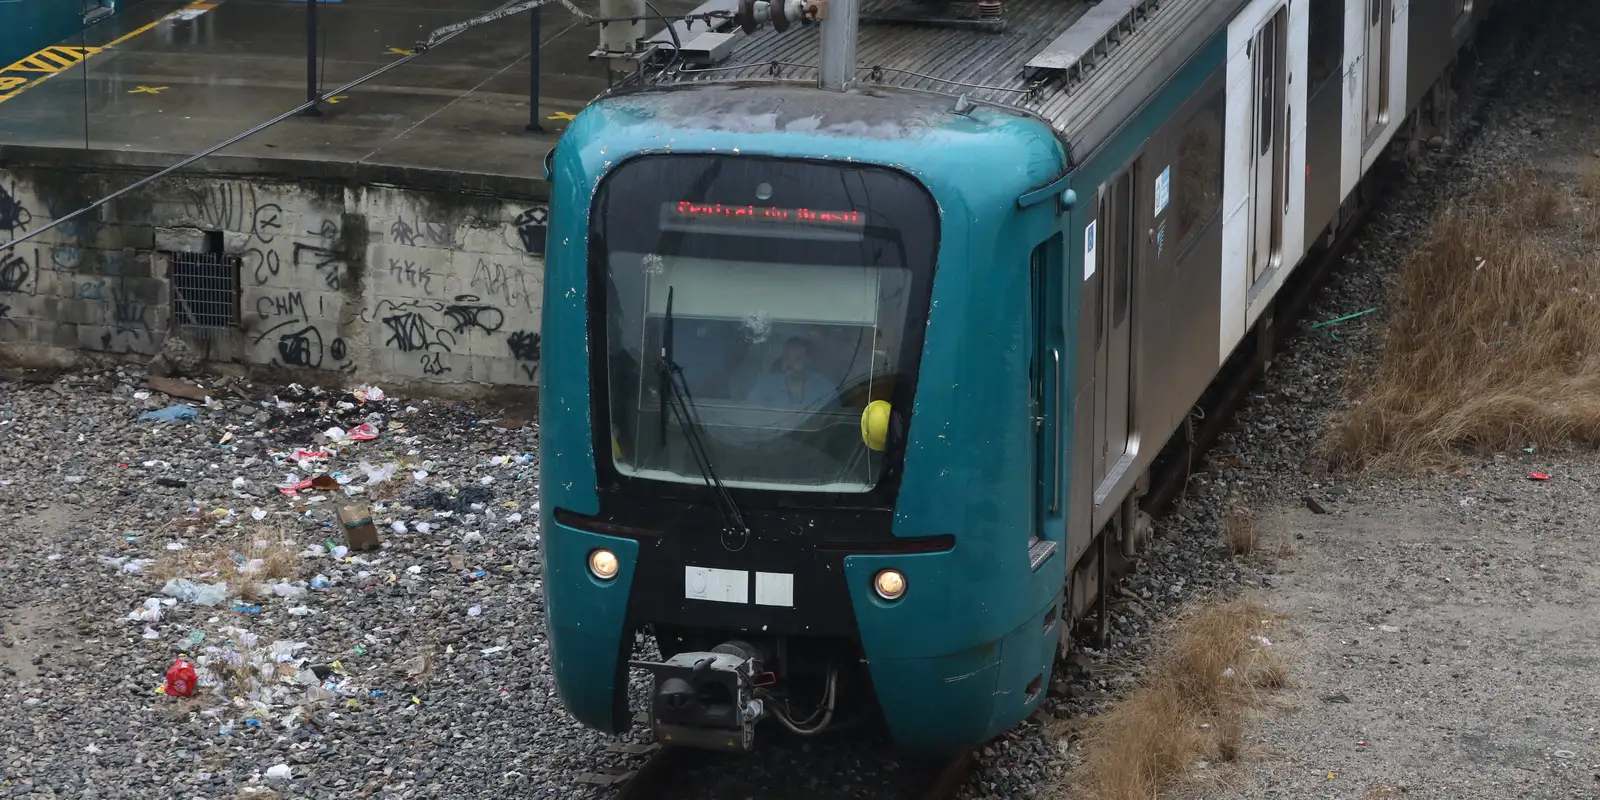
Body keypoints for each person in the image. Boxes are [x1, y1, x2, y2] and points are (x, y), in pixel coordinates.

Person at [746, 336, 836, 409]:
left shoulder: (825, 387)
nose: (790, 363)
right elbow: (750, 413)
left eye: (797, 359)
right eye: (786, 358)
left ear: (808, 361)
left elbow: (833, 422)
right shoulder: (765, 385)